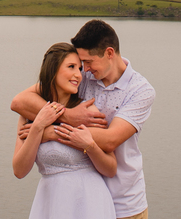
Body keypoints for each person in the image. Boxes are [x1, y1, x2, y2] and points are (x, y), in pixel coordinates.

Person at [12, 21, 155, 219]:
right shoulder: (82, 76)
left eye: (88, 62)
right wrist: (66, 115)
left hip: (125, 201)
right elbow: (19, 101)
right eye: (79, 64)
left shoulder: (140, 91)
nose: (83, 70)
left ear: (109, 53)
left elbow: (110, 139)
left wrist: (49, 132)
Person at [13, 42, 117, 219]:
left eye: (79, 68)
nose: (78, 75)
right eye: (71, 67)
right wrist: (38, 127)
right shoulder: (29, 115)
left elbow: (111, 169)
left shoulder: (87, 113)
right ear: (53, 71)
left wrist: (89, 146)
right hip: (50, 203)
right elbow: (19, 171)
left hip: (89, 203)